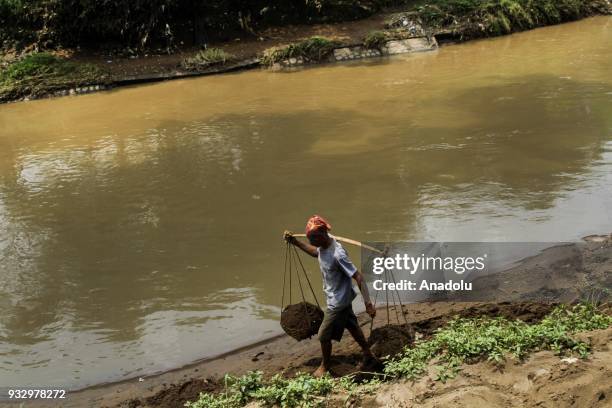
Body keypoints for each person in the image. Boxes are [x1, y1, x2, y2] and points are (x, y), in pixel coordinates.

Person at [284, 215, 377, 377]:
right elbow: (317, 253)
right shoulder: (324, 245)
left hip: (337, 302)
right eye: (309, 239)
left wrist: (368, 304)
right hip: (342, 296)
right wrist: (296, 242)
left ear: (322, 236)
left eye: (313, 239)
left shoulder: (338, 255)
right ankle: (368, 353)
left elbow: (359, 277)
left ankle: (325, 366)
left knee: (323, 335)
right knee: (353, 326)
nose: (311, 242)